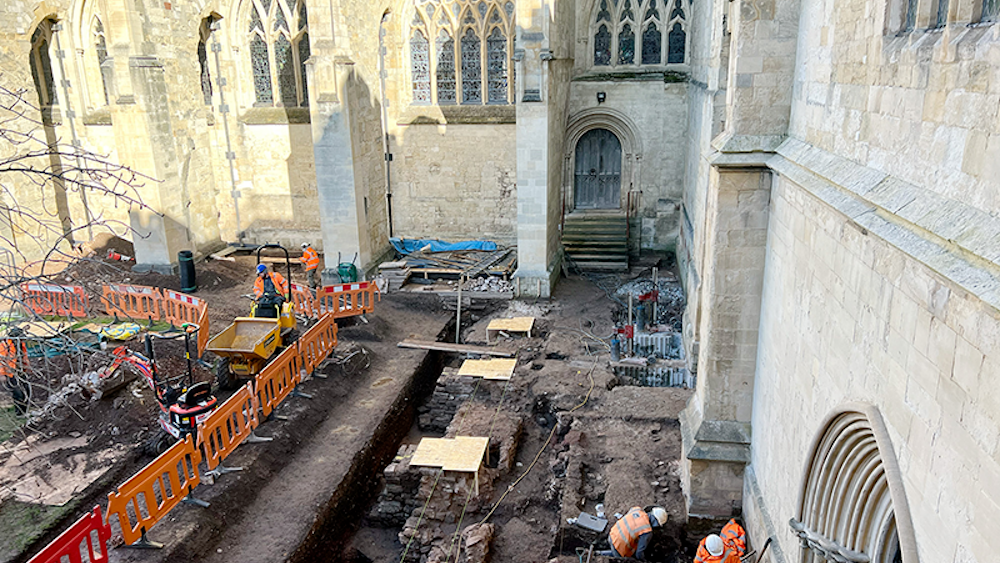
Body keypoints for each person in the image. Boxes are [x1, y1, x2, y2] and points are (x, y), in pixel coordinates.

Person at [595, 505, 668, 560]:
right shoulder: (647, 531)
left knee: (615, 550)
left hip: (612, 534)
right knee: (621, 557)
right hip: (620, 545)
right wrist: (643, 561)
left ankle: (598, 554)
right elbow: (639, 553)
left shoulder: (636, 509)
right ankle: (600, 556)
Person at [1, 328, 30, 415]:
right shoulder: (5, 345)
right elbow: (1, 360)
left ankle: (25, 411)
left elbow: (24, 357)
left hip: (21, 371)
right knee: (18, 393)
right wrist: (2, 374)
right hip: (10, 373)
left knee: (27, 390)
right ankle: (19, 413)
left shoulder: (21, 344)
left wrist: (28, 367)